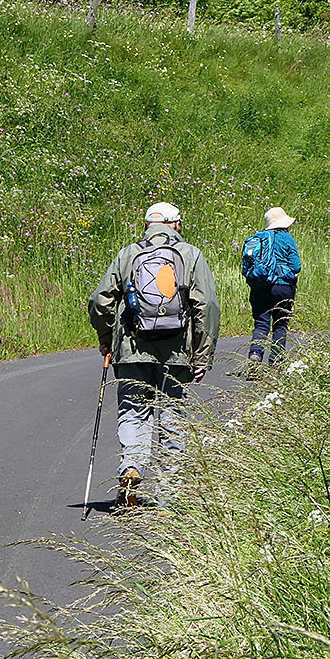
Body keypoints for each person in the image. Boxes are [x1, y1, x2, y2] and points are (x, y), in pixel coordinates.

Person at [88, 202, 220, 507]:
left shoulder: (128, 254)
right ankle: (168, 496)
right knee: (173, 416)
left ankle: (131, 467)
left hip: (132, 350)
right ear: (176, 224)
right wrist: (202, 356)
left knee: (133, 411)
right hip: (177, 352)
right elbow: (207, 307)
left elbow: (100, 301)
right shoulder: (190, 254)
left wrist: (107, 339)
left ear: (147, 226)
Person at [242, 207, 301, 367]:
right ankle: (276, 361)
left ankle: (255, 354)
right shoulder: (287, 238)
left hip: (260, 287)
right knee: (280, 324)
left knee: (261, 323)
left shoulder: (258, 238)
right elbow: (296, 266)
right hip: (282, 288)